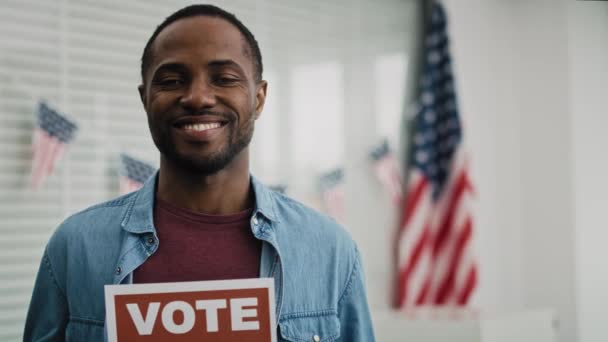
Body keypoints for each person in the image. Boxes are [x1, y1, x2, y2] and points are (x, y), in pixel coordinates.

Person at [24, 4, 375, 341]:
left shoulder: (330, 250)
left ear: (259, 98)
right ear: (145, 98)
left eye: (224, 78)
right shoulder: (75, 247)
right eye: (172, 80)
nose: (197, 97)